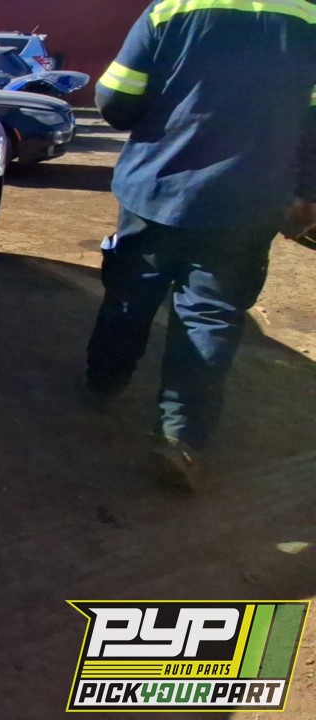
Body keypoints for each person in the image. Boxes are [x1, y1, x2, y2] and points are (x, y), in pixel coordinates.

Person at [86, 0, 316, 489]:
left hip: (157, 190)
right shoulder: (310, 18)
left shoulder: (172, 9)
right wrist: (307, 194)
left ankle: (105, 381)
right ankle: (180, 438)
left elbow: (113, 101)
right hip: (247, 204)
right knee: (211, 316)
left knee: (130, 293)